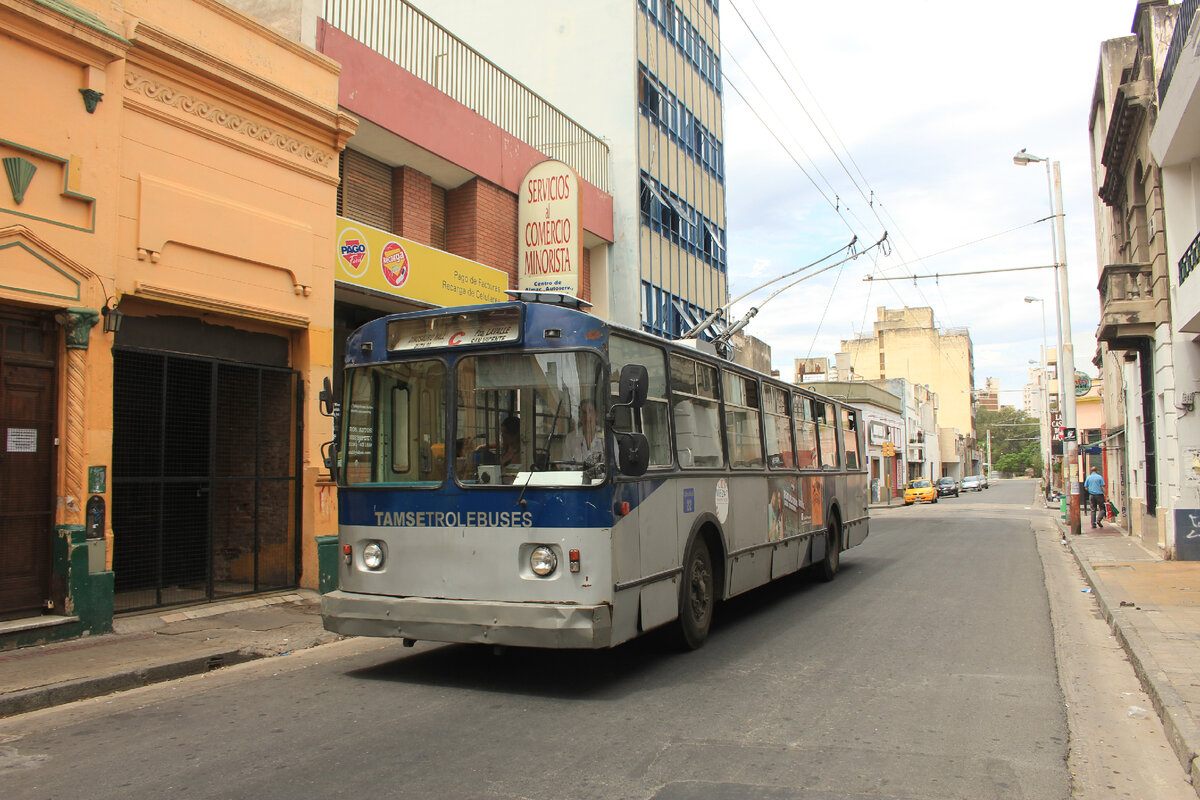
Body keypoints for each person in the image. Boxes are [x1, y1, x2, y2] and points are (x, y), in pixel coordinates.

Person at [564, 399, 604, 465]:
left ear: (596, 415)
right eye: (584, 413)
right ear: (580, 417)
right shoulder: (570, 438)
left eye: (590, 411)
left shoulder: (607, 437)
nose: (587, 417)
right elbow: (566, 466)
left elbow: (614, 465)